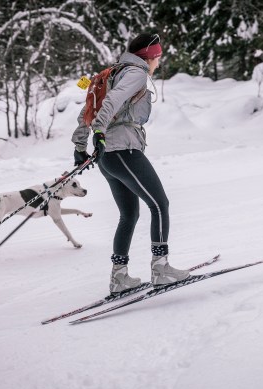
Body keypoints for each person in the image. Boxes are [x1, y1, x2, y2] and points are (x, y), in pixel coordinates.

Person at [72, 33, 190, 294]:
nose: (158, 62)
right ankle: (161, 268)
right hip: (123, 151)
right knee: (160, 204)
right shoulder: (135, 73)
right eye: (158, 57)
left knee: (129, 214)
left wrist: (81, 145)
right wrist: (99, 133)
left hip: (108, 156)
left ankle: (120, 277)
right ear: (149, 57)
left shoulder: (112, 72)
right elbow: (111, 102)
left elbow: (88, 108)